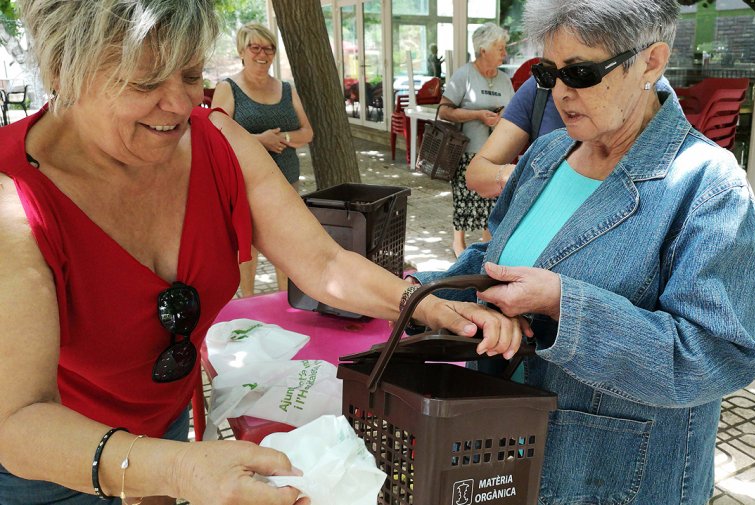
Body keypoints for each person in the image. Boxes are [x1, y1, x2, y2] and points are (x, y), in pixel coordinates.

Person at [0, 1, 526, 504]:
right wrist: (180, 469)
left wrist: (428, 305)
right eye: (144, 82)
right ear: (64, 72)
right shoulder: (12, 202)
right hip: (49, 457)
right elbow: (17, 420)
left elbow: (325, 264)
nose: (181, 104)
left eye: (189, 74)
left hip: (160, 422)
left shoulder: (217, 141)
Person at [412, 1, 755, 503]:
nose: (560, 92)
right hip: (501, 452)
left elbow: (716, 357)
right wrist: (425, 292)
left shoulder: (708, 186)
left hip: (613, 477)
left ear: (652, 61)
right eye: (547, 73)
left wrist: (564, 305)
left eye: (581, 72)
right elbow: (496, 259)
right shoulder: (546, 154)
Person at [212, 23, 313, 296]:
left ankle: (284, 304)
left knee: (286, 246)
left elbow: (307, 132)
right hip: (244, 183)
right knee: (248, 249)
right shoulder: (228, 88)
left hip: (285, 182)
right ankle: (247, 305)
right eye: (255, 47)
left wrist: (284, 139)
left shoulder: (286, 88)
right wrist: (259, 141)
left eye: (268, 48)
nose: (262, 54)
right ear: (241, 51)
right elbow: (213, 135)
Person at [437, 22, 514, 257]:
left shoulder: (504, 80)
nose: (505, 53)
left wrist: (503, 116)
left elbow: (513, 111)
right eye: (500, 48)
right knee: (464, 196)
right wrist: (477, 115)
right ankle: (457, 244)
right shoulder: (464, 75)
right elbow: (444, 110)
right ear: (484, 50)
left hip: (496, 152)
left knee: (491, 198)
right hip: (467, 150)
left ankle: (485, 243)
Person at [465, 74, 564, 198]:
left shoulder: (503, 79)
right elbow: (475, 174)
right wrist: (519, 176)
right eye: (547, 69)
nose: (564, 92)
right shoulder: (538, 88)